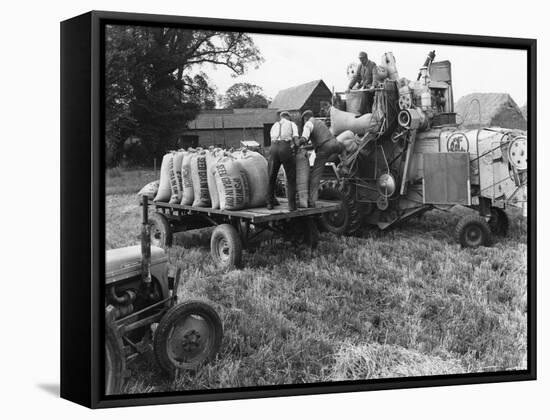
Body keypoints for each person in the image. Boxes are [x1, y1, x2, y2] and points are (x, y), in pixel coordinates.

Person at [299, 110, 344, 208]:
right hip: (335, 144)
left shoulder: (308, 123)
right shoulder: (319, 122)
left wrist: (298, 144)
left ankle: (312, 201)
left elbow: (304, 138)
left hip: (324, 149)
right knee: (344, 151)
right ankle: (347, 170)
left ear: (305, 118)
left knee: (315, 175)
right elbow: (319, 139)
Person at [267, 111, 299, 211]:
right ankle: (292, 206)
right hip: (285, 148)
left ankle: (269, 203)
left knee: (271, 176)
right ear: (288, 117)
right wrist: (296, 149)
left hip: (273, 148)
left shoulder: (274, 125)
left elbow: (272, 139)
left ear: (281, 118)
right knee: (291, 177)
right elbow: (297, 141)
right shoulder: (292, 124)